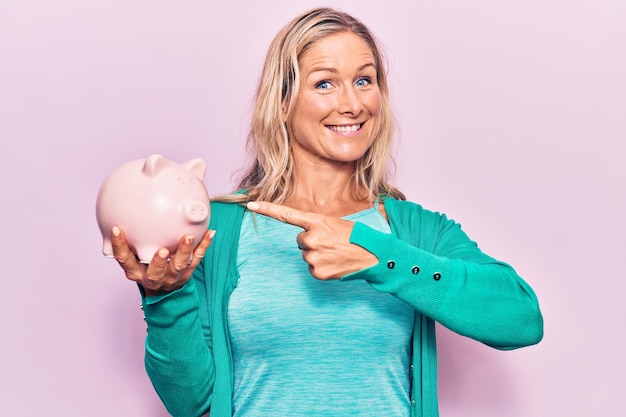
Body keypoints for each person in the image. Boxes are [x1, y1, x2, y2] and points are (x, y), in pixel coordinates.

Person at [111, 7, 543, 417]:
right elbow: (192, 403)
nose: (352, 104)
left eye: (364, 80)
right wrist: (165, 296)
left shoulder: (413, 231)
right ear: (281, 103)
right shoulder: (219, 229)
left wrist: (379, 257)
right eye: (324, 83)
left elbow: (521, 320)